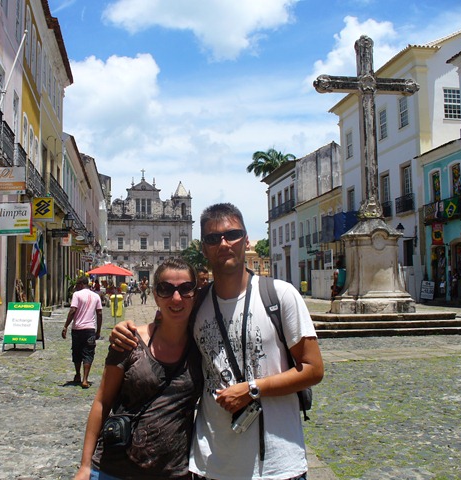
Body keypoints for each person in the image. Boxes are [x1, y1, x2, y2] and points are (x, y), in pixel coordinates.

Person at [111, 203, 324, 480]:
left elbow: (313, 369)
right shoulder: (196, 302)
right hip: (211, 464)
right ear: (204, 248)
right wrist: (124, 329)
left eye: (232, 234)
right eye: (213, 238)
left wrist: (253, 389)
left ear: (246, 240)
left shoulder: (280, 296)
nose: (224, 244)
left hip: (277, 465)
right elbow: (158, 332)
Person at [74, 258, 203, 480]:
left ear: (195, 294)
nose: (176, 297)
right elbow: (103, 401)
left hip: (173, 473)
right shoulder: (129, 341)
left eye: (185, 289)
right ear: (155, 295)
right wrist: (85, 465)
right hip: (114, 471)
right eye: (165, 289)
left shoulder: (202, 348)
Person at [62, 277, 103, 388]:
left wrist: (65, 326)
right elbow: (99, 313)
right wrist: (98, 330)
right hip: (90, 330)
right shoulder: (96, 296)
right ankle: (85, 379)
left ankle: (77, 374)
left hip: (77, 329)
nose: (75, 287)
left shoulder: (77, 295)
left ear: (81, 284)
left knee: (77, 352)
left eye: (77, 284)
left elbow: (72, 310)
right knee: (88, 353)